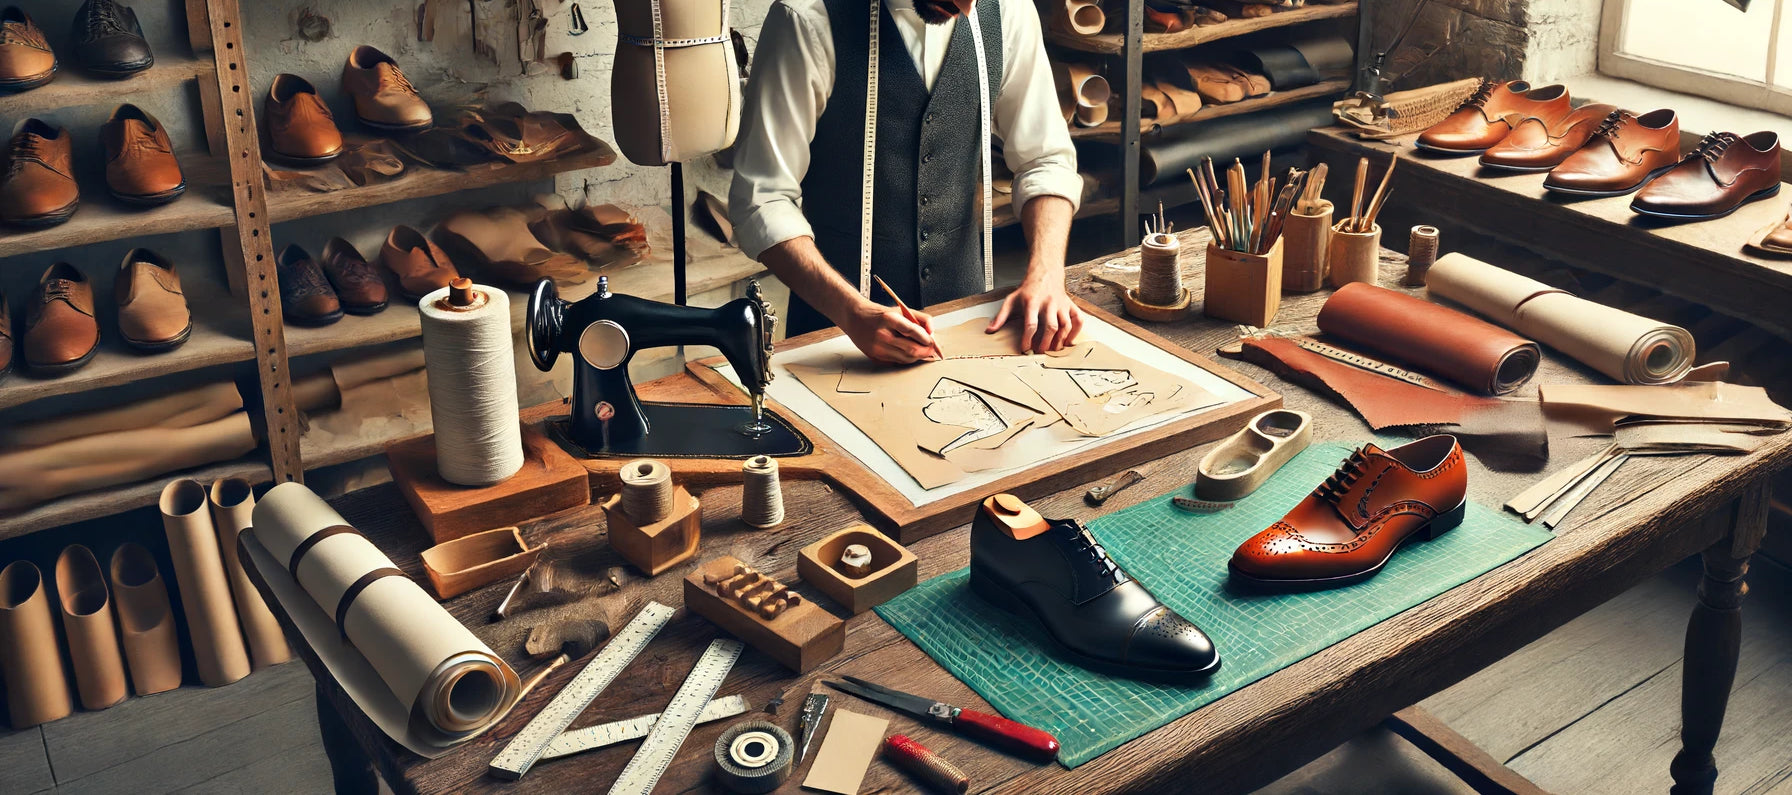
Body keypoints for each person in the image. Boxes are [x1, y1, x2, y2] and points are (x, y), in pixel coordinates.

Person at [729, 0, 1084, 363]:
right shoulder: (805, 18)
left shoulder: (1008, 11)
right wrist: (852, 312)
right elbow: (763, 197)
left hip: (970, 325)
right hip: (835, 334)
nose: (966, 7)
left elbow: (1045, 158)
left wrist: (1047, 273)